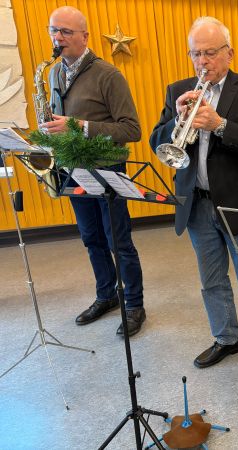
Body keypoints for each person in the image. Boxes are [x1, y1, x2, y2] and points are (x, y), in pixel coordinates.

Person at [150, 17, 238, 397]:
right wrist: (177, 118)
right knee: (212, 281)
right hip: (197, 204)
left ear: (229, 53)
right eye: (195, 54)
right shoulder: (179, 90)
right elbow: (158, 141)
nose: (201, 61)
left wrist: (221, 124)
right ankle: (227, 338)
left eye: (209, 52)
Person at [43, 6, 146, 336]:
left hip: (107, 168)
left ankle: (134, 304)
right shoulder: (53, 74)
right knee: (91, 238)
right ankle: (106, 295)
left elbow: (131, 129)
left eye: (66, 31)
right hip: (73, 169)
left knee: (119, 241)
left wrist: (79, 126)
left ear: (85, 37)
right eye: (53, 30)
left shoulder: (108, 75)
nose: (58, 37)